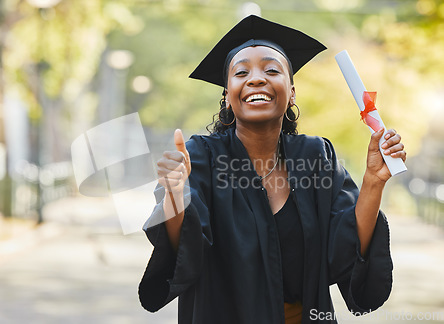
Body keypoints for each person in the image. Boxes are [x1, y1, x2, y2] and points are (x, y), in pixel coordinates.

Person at [138, 15, 406, 324]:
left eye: (271, 70)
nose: (255, 79)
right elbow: (185, 247)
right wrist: (174, 194)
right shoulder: (201, 156)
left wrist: (374, 181)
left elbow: (344, 250)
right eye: (241, 72)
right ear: (227, 96)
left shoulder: (317, 156)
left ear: (291, 92)